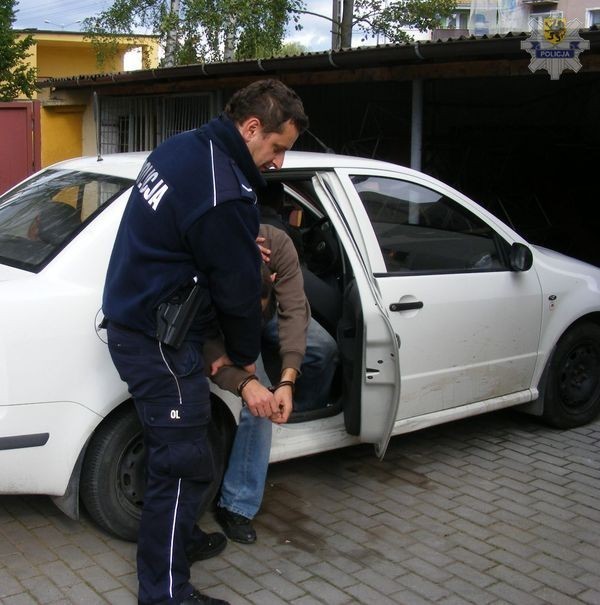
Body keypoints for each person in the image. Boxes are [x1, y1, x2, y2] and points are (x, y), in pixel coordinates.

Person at [101, 79, 308, 605]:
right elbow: (238, 297)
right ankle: (166, 593)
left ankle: (181, 539)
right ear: (252, 128)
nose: (279, 163)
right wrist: (243, 359)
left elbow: (187, 244)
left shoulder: (182, 147)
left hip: (144, 320)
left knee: (183, 455)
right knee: (180, 462)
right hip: (158, 339)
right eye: (278, 148)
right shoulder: (225, 193)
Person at [207, 199, 339, 545]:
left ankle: (292, 418)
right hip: (230, 327)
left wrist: (288, 380)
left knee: (322, 350)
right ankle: (236, 504)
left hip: (265, 316)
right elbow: (207, 342)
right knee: (259, 404)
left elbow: (295, 310)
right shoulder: (208, 255)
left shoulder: (277, 243)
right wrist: (248, 382)